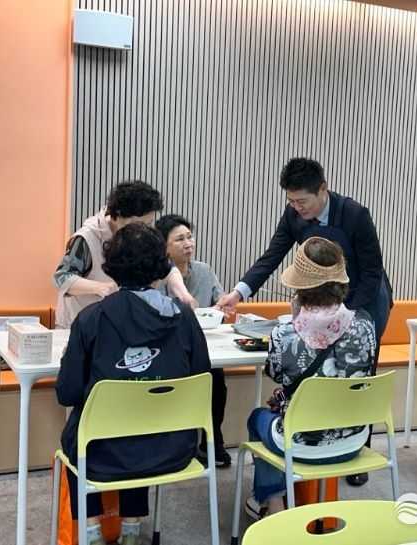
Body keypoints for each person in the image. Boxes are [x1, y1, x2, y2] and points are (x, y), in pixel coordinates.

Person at [216, 157, 392, 486]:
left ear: (323, 189)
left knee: (356, 375)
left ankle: (356, 449)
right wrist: (239, 292)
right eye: (291, 201)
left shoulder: (354, 214)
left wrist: (343, 314)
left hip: (363, 301)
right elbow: (272, 256)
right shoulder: (293, 215)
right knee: (321, 374)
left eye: (302, 201)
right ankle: (314, 436)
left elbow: (371, 272)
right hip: (322, 302)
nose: (297, 208)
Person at [55, 223, 212, 545]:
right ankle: (131, 529)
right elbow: (201, 375)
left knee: (91, 431)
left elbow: (67, 392)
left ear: (111, 266)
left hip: (101, 455)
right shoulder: (184, 317)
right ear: (161, 266)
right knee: (143, 420)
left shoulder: (91, 319)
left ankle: (92, 533)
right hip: (173, 449)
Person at [244, 237, 377, 519]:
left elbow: (276, 374)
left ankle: (274, 506)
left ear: (300, 288)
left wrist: (295, 320)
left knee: (257, 418)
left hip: (301, 444)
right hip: (354, 439)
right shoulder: (366, 324)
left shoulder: (285, 334)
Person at [53, 180, 196, 329]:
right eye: (138, 224)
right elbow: (62, 278)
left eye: (149, 224)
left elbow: (166, 266)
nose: (143, 230)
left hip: (118, 325)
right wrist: (100, 288)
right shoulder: (87, 237)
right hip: (79, 324)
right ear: (117, 216)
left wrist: (183, 293)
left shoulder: (141, 235)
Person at [155, 214, 231, 468]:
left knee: (216, 379)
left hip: (205, 343)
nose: (188, 243)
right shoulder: (158, 276)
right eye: (179, 239)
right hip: (169, 347)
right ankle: (179, 444)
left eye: (189, 237)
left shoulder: (204, 270)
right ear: (164, 246)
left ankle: (212, 439)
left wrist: (223, 307)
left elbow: (219, 302)